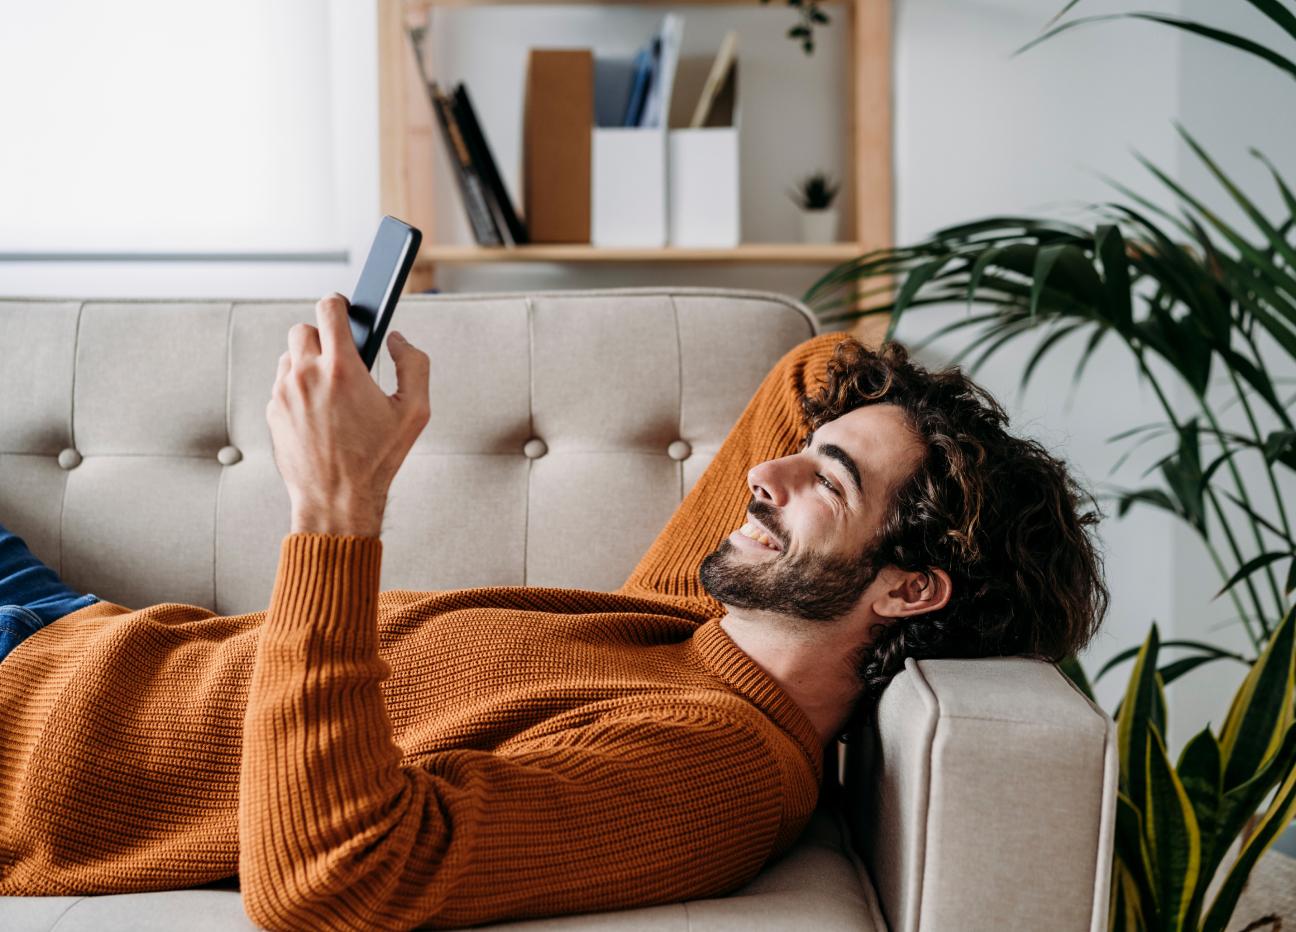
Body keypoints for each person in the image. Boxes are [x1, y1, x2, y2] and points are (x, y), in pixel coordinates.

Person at [0, 296, 1107, 930]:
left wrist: (336, 511)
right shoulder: (695, 628)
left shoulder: (715, 766)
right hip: (65, 622)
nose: (767, 475)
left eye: (829, 481)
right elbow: (819, 365)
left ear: (909, 589)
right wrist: (927, 442)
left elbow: (333, 875)